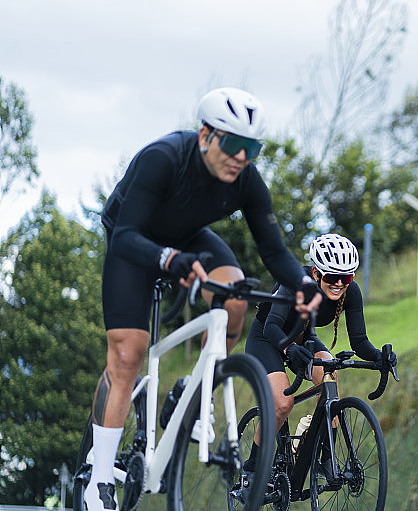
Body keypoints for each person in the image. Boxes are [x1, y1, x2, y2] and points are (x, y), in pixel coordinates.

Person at [86, 87, 322, 511]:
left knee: (233, 294)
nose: (241, 157)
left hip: (187, 239)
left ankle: (197, 390)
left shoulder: (245, 177)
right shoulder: (163, 159)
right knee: (127, 354)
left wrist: (304, 285)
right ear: (205, 137)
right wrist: (167, 258)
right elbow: (124, 235)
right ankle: (99, 477)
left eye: (252, 148)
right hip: (135, 241)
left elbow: (274, 252)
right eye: (233, 144)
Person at [243, 233, 396, 479]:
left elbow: (359, 341)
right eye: (332, 277)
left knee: (330, 377)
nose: (339, 284)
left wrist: (380, 358)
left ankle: (325, 457)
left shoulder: (350, 291)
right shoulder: (294, 282)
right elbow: (272, 326)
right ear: (316, 273)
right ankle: (251, 468)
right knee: (283, 404)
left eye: (346, 277)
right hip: (267, 339)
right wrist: (289, 349)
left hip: (304, 338)